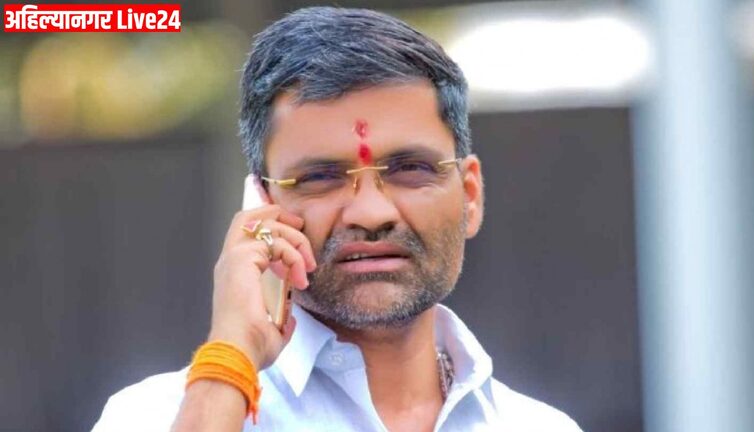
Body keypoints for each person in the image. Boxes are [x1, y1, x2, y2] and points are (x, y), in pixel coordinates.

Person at [92, 7, 582, 432]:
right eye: (320, 177)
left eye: (411, 169)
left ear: (470, 197)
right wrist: (230, 360)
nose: (371, 213)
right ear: (260, 204)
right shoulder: (154, 417)